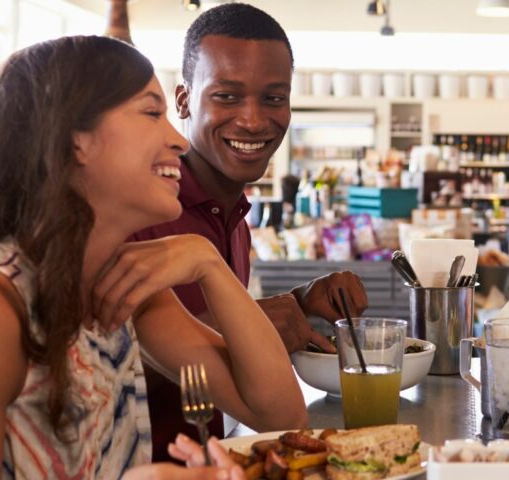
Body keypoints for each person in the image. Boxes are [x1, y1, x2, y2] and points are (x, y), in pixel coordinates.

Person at [0, 35, 304, 478]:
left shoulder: (111, 283)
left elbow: (279, 414)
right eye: (152, 113)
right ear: (75, 138)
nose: (179, 141)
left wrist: (208, 261)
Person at [131, 4, 369, 461]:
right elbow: (107, 355)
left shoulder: (235, 214)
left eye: (274, 98)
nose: (254, 120)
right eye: (227, 96)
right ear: (182, 101)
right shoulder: (142, 210)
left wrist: (299, 302)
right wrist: (250, 323)